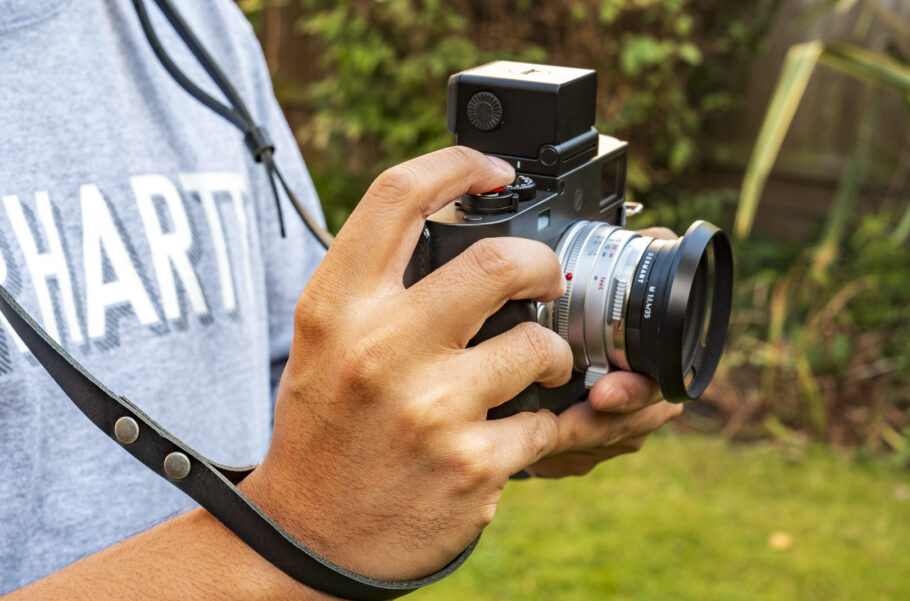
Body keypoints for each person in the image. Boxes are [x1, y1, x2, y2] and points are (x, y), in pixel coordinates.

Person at [0, 0, 682, 597]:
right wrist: (297, 536)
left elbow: (297, 377)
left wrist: (479, 415)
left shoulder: (195, 23)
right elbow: (316, 497)